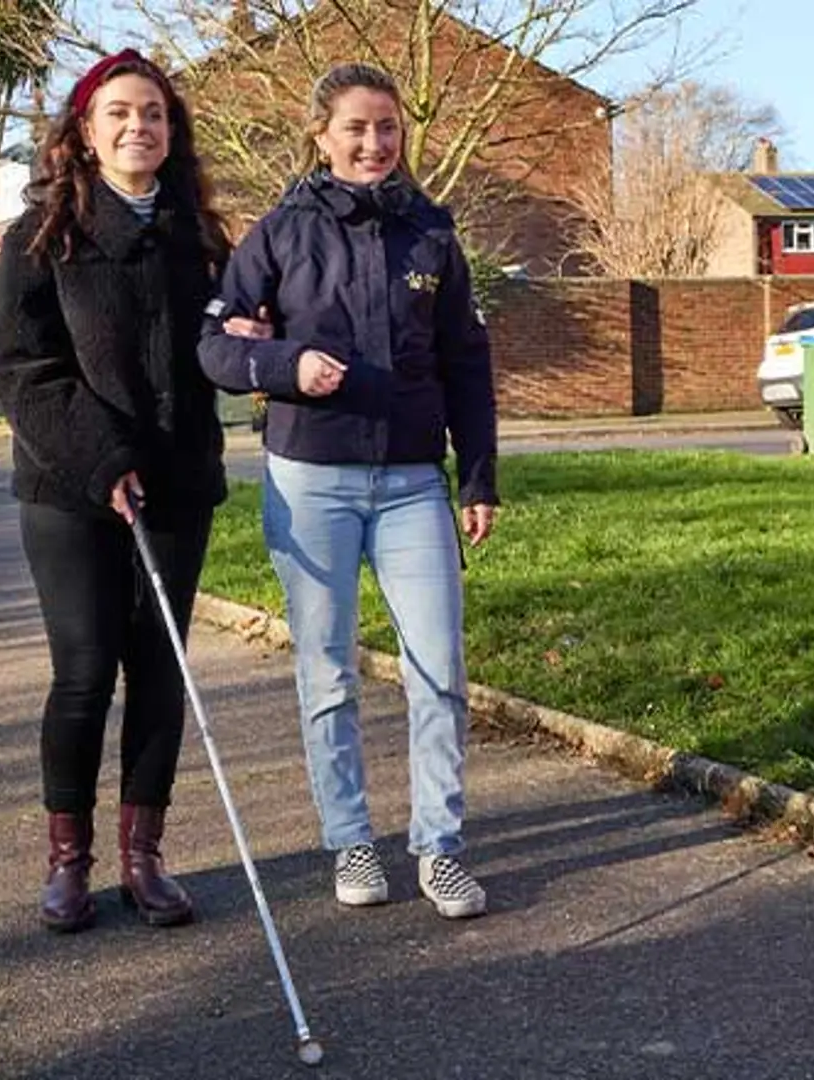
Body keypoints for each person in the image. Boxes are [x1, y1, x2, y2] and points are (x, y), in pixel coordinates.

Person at [200, 62, 500, 919]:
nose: (374, 144)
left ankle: (438, 848)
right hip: (310, 481)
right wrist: (282, 364)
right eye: (356, 129)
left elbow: (466, 365)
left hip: (412, 483)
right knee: (326, 672)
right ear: (321, 136)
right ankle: (351, 843)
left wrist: (477, 474)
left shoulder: (432, 233)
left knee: (438, 670)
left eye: (388, 129)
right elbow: (215, 348)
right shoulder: (280, 232)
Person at [0, 49, 230, 933]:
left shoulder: (199, 238)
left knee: (159, 667)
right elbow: (20, 373)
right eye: (121, 114)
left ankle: (144, 857)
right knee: (86, 670)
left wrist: (254, 343)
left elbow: (215, 352)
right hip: (68, 489)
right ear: (84, 134)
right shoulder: (41, 238)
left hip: (176, 486)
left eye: (157, 114)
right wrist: (103, 456)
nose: (141, 127)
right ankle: (69, 863)